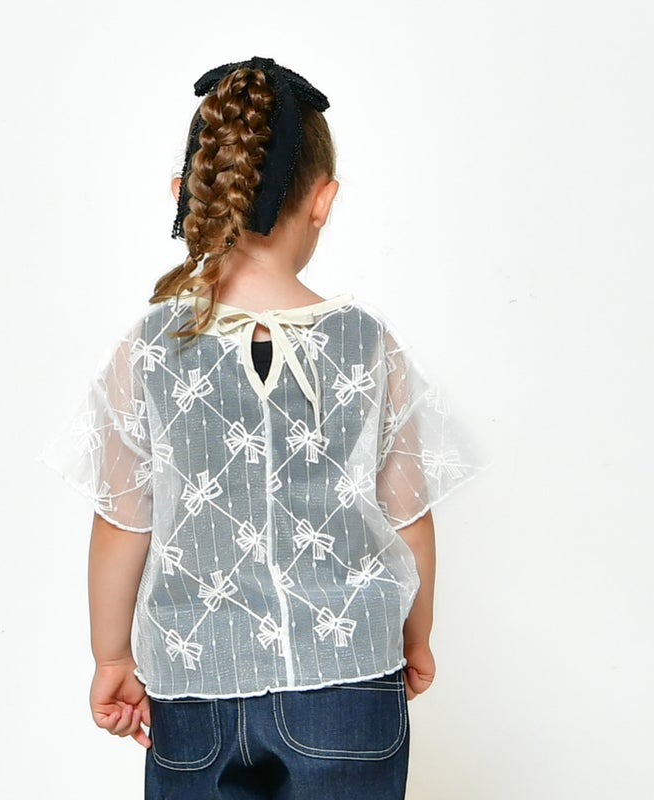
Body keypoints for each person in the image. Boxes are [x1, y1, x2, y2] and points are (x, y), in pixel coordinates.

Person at [37, 56, 482, 799]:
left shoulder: (151, 347)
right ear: (324, 199)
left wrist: (111, 657)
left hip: (195, 685)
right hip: (348, 680)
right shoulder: (363, 342)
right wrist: (415, 634)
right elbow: (409, 514)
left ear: (186, 194)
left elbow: (122, 522)